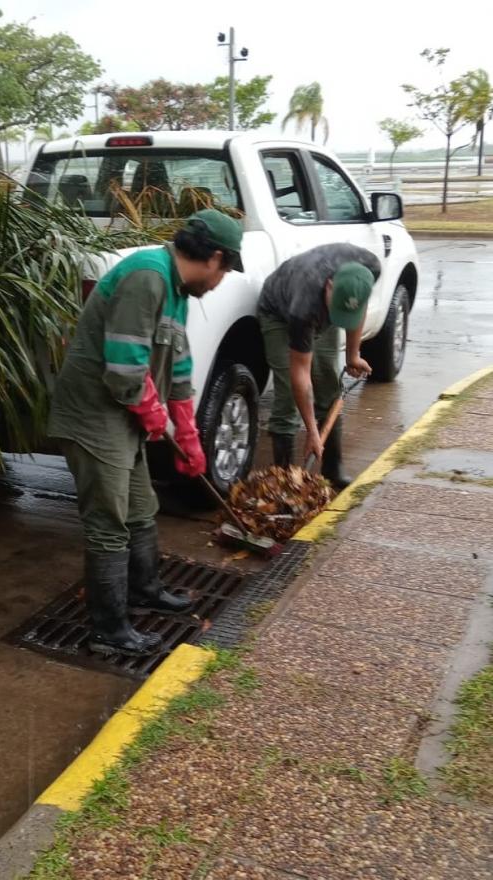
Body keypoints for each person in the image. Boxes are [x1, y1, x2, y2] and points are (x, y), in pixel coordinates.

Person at [48, 209, 243, 656]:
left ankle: (145, 589)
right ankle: (109, 630)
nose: (221, 280)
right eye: (226, 269)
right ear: (213, 257)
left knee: (140, 508)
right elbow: (122, 368)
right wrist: (153, 413)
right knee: (109, 525)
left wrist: (189, 434)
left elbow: (178, 364)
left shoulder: (175, 290)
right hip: (94, 417)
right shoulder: (147, 277)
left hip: (123, 416)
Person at [257, 243, 381, 490]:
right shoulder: (304, 305)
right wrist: (312, 432)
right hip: (279, 314)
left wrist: (353, 355)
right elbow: (300, 374)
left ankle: (333, 469)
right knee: (287, 397)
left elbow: (360, 304)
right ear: (330, 286)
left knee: (328, 384)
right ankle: (285, 483)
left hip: (324, 306)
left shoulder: (370, 266)